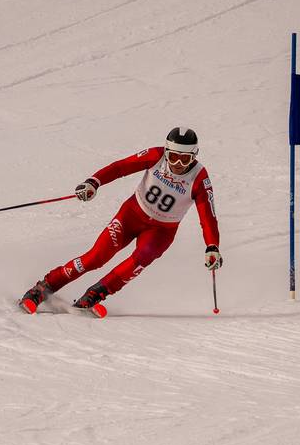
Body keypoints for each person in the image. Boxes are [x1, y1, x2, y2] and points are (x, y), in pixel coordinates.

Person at [19, 127, 222, 313]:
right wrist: (94, 182)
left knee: (142, 257)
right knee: (96, 257)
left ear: (194, 156)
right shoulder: (156, 156)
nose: (177, 164)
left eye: (184, 159)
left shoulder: (199, 178)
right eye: (173, 157)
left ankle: (95, 294)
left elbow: (208, 216)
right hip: (131, 215)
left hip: (161, 231)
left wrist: (212, 246)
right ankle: (43, 287)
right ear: (166, 152)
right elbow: (121, 167)